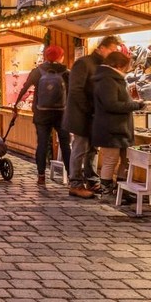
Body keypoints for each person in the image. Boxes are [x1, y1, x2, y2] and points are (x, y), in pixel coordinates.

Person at [64, 35, 121, 198]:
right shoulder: (84, 63)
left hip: (95, 116)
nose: (113, 53)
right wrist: (89, 110)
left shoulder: (104, 65)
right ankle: (75, 183)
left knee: (93, 150)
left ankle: (91, 180)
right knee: (80, 148)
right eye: (112, 49)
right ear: (101, 48)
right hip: (81, 115)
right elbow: (76, 90)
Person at [15, 46, 71, 186]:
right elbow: (72, 93)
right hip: (61, 114)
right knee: (65, 145)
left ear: (46, 56)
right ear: (60, 57)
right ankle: (71, 177)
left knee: (42, 145)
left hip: (41, 114)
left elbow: (25, 88)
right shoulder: (66, 72)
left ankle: (41, 176)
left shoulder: (37, 71)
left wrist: (17, 105)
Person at [91, 51, 143, 195]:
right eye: (127, 66)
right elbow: (111, 105)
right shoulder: (108, 80)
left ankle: (122, 190)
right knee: (110, 159)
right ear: (119, 65)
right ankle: (106, 189)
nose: (128, 69)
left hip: (119, 128)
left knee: (125, 160)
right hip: (111, 128)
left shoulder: (112, 79)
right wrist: (136, 105)